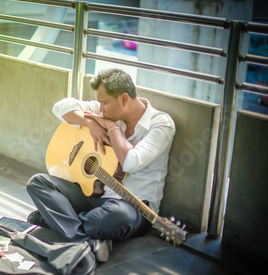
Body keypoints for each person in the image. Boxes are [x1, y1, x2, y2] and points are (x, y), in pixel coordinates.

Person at [26, 68, 175, 262]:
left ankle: (58, 221)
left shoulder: (161, 124)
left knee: (115, 217)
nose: (101, 109)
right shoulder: (107, 111)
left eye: (104, 103)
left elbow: (130, 162)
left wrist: (112, 127)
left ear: (123, 99)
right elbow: (61, 107)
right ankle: (89, 238)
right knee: (37, 183)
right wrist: (91, 123)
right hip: (93, 194)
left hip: (131, 205)